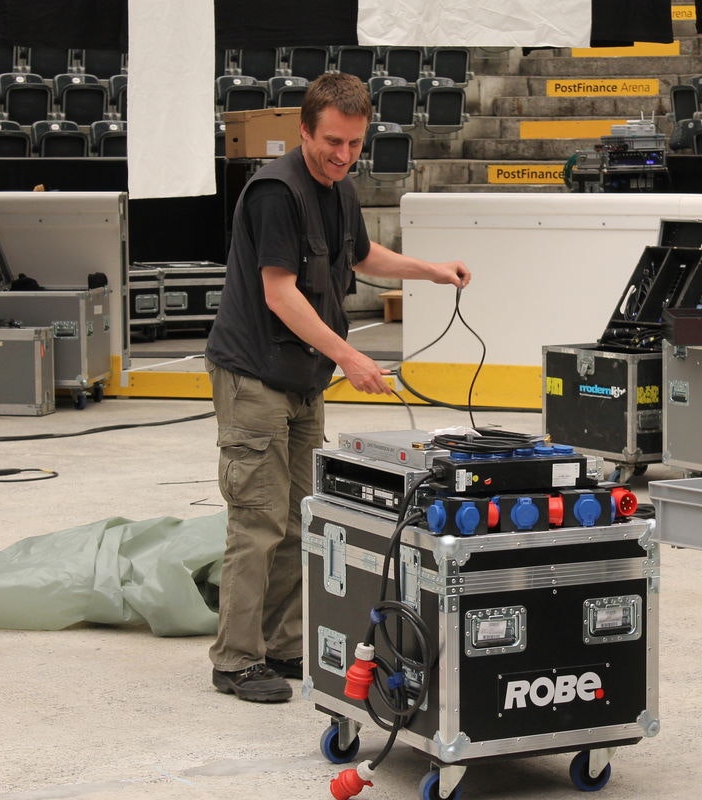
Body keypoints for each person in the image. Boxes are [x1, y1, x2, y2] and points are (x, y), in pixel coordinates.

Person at [203, 73, 471, 703]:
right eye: (332, 142)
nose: (344, 155)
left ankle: (283, 646)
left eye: (354, 143)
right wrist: (350, 357)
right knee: (258, 522)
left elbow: (360, 256)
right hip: (254, 377)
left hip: (302, 380)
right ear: (304, 131)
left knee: (302, 520)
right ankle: (235, 660)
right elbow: (279, 293)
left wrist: (431, 271)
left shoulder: (339, 187)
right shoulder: (276, 192)